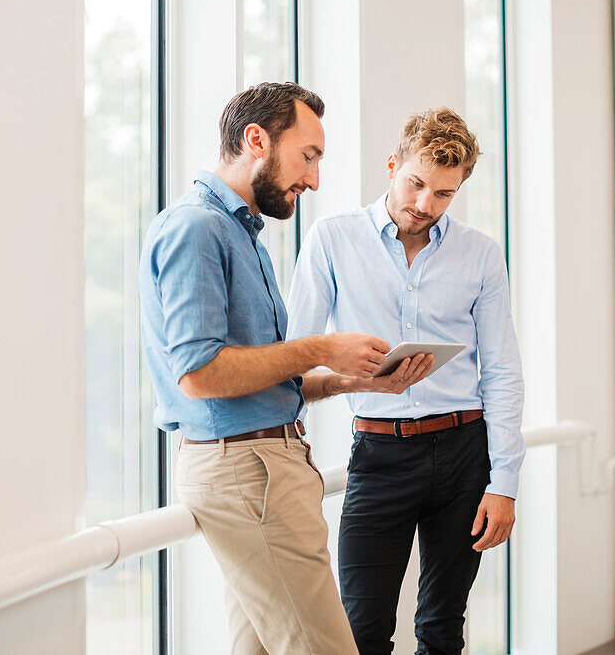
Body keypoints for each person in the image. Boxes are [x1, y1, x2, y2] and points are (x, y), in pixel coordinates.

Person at [139, 82, 434, 654]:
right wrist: (321, 347)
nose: (314, 179)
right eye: (309, 156)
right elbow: (199, 375)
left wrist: (356, 378)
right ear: (257, 140)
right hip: (248, 473)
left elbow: (263, 381)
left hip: (261, 466)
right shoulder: (197, 228)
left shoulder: (237, 231)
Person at [287, 107, 525, 655]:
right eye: (416, 183)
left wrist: (504, 481)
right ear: (393, 165)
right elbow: (294, 359)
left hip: (466, 453)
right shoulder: (332, 240)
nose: (425, 205)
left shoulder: (481, 255)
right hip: (379, 454)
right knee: (362, 631)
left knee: (443, 628)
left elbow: (503, 371)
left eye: (443, 194)